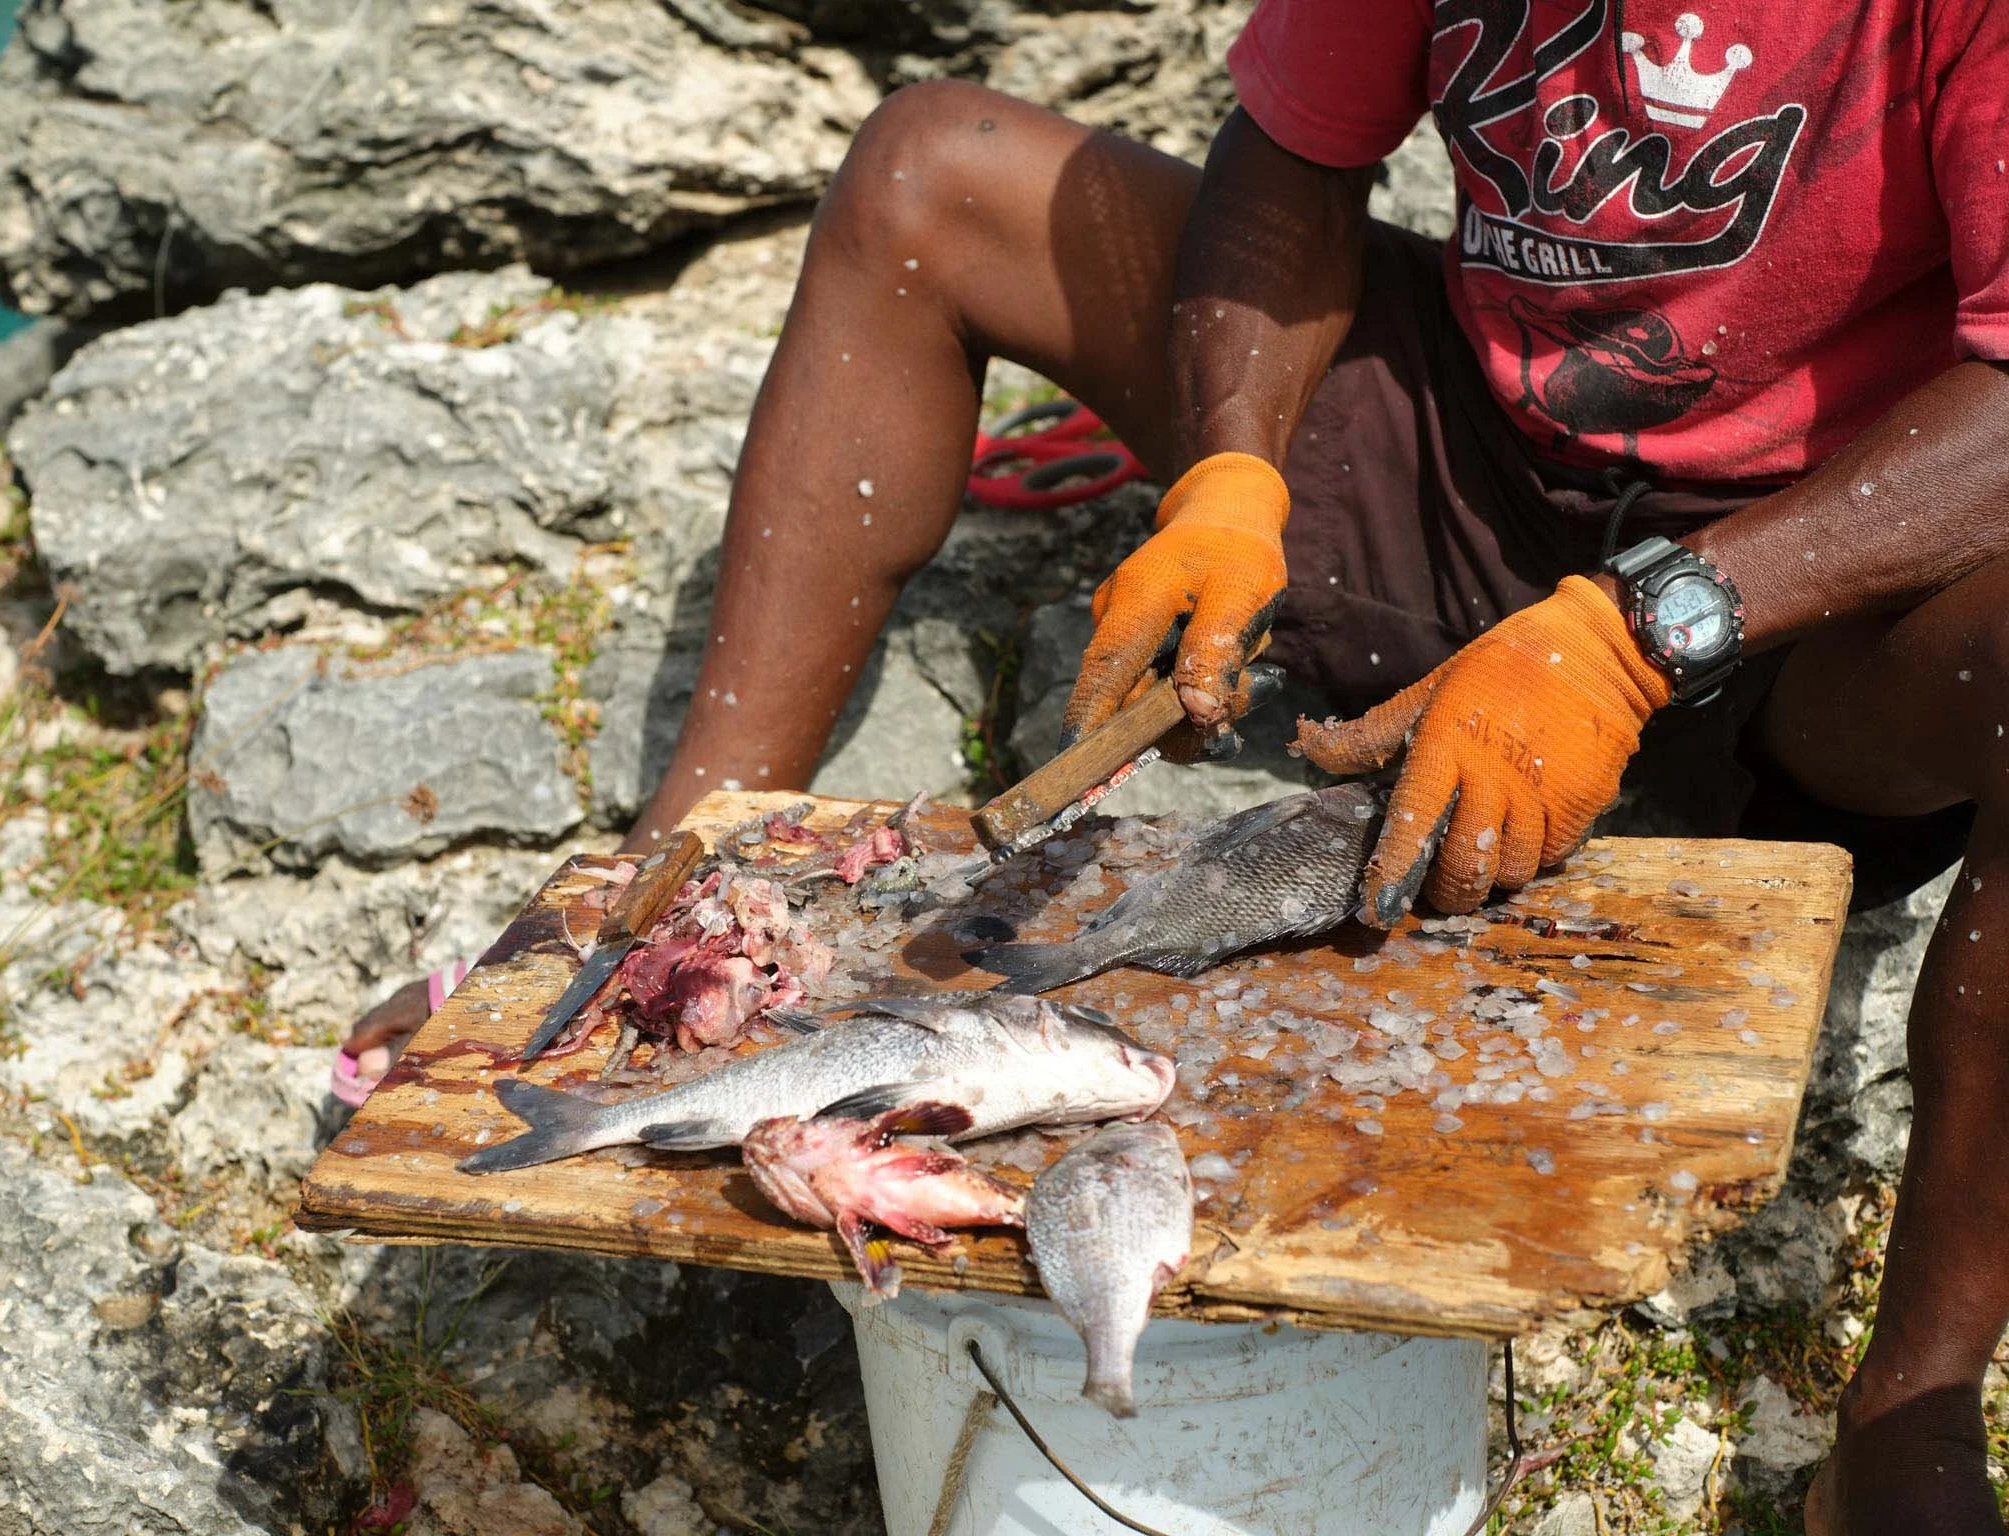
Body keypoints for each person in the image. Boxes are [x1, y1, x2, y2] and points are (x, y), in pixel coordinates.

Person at [342, 0, 2009, 1526]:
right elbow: (1289, 160)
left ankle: (1912, 1406)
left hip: (1830, 593)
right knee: (934, 171)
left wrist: (1640, 635)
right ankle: (649, 918)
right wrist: (1232, 473)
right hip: (1472, 479)